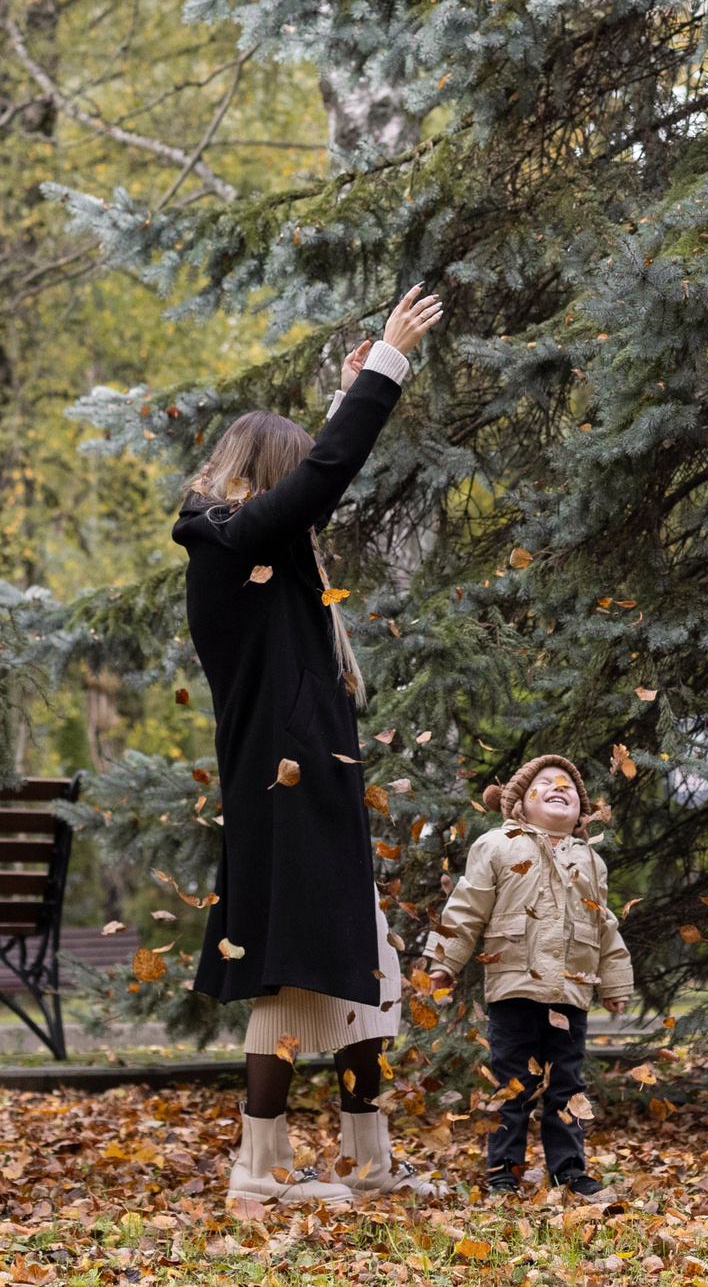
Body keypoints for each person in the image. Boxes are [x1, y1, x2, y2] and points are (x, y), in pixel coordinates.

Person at [182, 283, 446, 1207]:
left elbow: (312, 494)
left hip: (316, 793)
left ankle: (367, 1164)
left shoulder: (264, 548)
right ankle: (257, 1173)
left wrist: (340, 403)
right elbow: (319, 484)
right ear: (262, 477)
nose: (309, 512)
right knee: (287, 982)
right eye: (291, 482)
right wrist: (385, 367)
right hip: (279, 793)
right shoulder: (219, 541)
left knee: (361, 973)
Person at [426, 754, 634, 1196]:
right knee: (512, 1085)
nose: (561, 787)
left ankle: (570, 1170)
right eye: (547, 783)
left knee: (567, 1085)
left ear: (581, 811)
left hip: (570, 989)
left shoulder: (591, 861)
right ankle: (504, 1171)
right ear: (520, 802)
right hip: (513, 987)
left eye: (571, 787)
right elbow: (467, 906)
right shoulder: (499, 845)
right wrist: (444, 960)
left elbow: (604, 925)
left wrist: (614, 982)